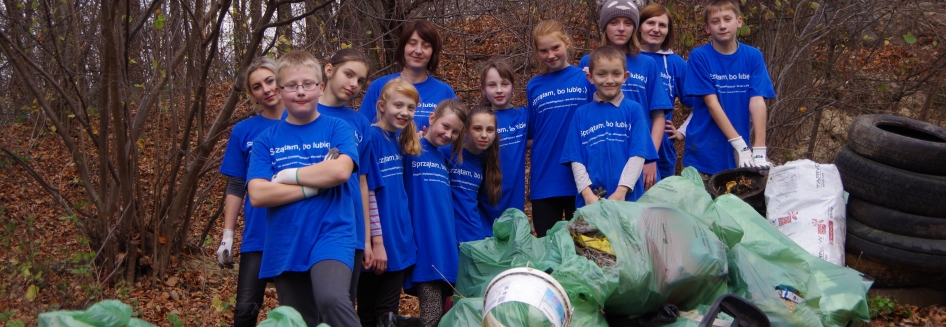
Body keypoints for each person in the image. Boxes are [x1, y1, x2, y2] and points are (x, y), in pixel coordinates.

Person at [245, 50, 360, 327]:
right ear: (281, 91)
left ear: (321, 88)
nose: (300, 92)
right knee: (300, 320)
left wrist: (287, 175)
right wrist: (313, 187)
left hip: (333, 232)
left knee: (332, 299)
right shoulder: (265, 140)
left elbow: (340, 170)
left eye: (308, 84)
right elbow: (259, 194)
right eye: (291, 86)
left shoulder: (337, 128)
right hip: (285, 240)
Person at [217, 57, 284, 327]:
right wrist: (227, 236)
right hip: (257, 234)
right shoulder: (243, 130)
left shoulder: (307, 122)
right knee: (245, 311)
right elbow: (235, 185)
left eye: (270, 80)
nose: (266, 89)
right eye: (257, 86)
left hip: (297, 231)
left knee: (297, 313)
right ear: (252, 93)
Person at [579, 0, 673, 190]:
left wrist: (649, 158)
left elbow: (658, 116)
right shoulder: (588, 61)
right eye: (614, 22)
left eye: (628, 23)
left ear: (635, 28)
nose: (621, 28)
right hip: (603, 160)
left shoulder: (647, 64)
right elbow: (586, 114)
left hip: (641, 157)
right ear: (605, 26)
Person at [316, 48, 383, 307]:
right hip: (313, 221)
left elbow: (363, 182)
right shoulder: (301, 113)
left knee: (343, 305)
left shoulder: (360, 123)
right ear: (329, 69)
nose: (354, 84)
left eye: (361, 80)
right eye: (349, 74)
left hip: (350, 226)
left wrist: (366, 239)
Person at [683, 0, 776, 179]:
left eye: (727, 19)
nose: (722, 25)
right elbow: (712, 104)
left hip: (740, 158)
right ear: (707, 28)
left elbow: (757, 101)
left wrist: (758, 149)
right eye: (715, 21)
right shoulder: (699, 57)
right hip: (704, 154)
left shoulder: (753, 56)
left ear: (739, 21)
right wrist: (740, 145)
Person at [357, 78, 421, 327]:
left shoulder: (400, 141)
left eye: (410, 107)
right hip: (378, 242)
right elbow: (368, 191)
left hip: (399, 239)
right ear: (381, 106)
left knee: (386, 313)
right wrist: (374, 242)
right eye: (398, 105)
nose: (404, 112)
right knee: (371, 314)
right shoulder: (371, 137)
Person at [561, 46, 658, 206]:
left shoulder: (634, 110)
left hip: (628, 200)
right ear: (590, 77)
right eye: (601, 74)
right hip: (590, 203)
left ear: (625, 76)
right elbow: (575, 159)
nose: (609, 80)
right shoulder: (581, 114)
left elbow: (638, 154)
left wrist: (622, 191)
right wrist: (587, 194)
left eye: (616, 73)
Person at [526, 20, 592, 237]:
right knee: (546, 249)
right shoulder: (534, 85)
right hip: (544, 178)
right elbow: (534, 133)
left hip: (581, 180)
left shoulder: (586, 78)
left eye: (556, 47)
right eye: (543, 51)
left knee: (584, 249)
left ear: (567, 43)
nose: (551, 55)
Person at [404, 99, 467, 327]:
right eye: (445, 126)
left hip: (445, 250)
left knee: (441, 316)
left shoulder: (443, 158)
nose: (449, 134)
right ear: (432, 119)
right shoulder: (412, 150)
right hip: (425, 249)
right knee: (431, 317)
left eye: (455, 131)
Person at [360, 20, 457, 130]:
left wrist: (430, 142)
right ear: (403, 47)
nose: (418, 50)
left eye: (426, 46)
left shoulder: (444, 92)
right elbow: (362, 132)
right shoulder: (379, 86)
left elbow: (456, 138)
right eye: (412, 43)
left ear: (433, 52)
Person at [639, 3, 694, 179]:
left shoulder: (676, 63)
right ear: (638, 26)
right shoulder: (623, 58)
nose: (656, 29)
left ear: (668, 31)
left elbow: (702, 104)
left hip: (662, 153)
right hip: (627, 146)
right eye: (650, 23)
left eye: (662, 25)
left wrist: (682, 132)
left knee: (658, 206)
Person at [477, 60, 528, 235]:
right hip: (485, 205)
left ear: (513, 87)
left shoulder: (523, 116)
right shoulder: (478, 120)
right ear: (482, 89)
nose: (499, 90)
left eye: (504, 84)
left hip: (514, 206)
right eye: (492, 85)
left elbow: (543, 137)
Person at [445, 105, 502, 243]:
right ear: (466, 131)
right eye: (477, 128)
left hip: (475, 237)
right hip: (449, 235)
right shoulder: (447, 153)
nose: (484, 135)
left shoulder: (486, 162)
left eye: (489, 130)